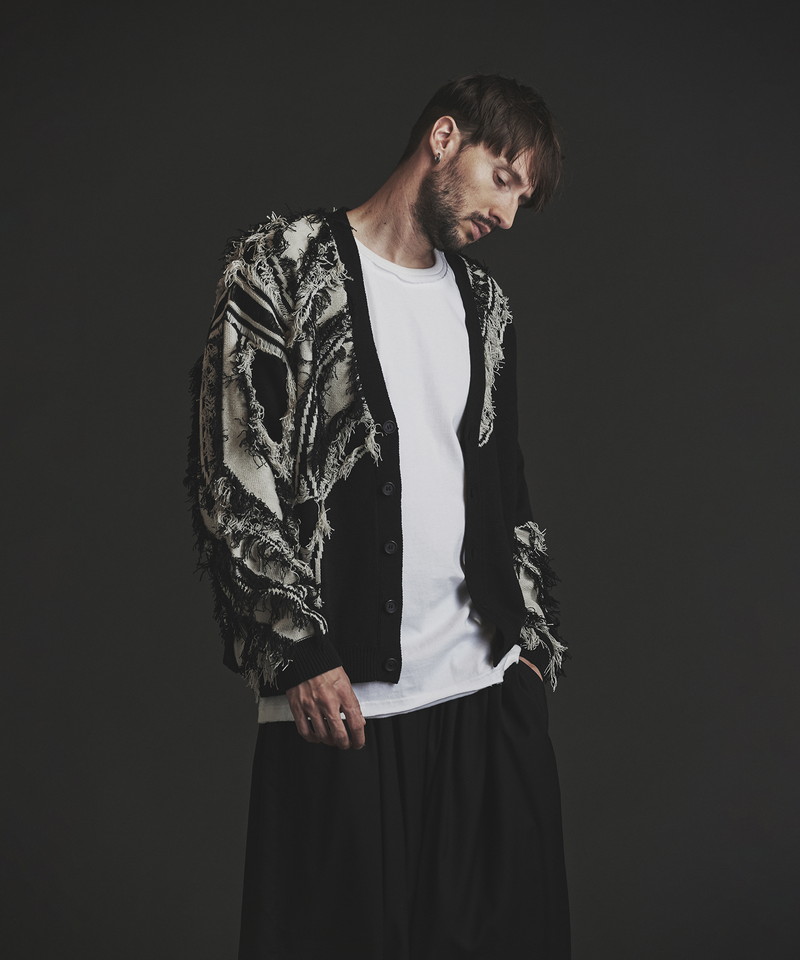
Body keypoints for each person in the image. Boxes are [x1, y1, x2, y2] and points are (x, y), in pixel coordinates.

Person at [187, 73, 571, 960]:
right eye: (503, 179)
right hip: (340, 707)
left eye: (523, 198)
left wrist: (531, 652)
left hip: (484, 693)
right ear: (444, 138)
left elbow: (506, 494)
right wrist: (297, 652)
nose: (508, 215)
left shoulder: (486, 308)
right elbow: (233, 472)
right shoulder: (282, 269)